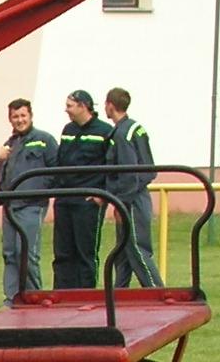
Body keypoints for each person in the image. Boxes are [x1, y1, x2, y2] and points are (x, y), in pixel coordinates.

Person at [52, 90, 118, 289]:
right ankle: (62, 294)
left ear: (83, 106)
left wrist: (102, 195)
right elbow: (60, 161)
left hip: (88, 202)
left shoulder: (105, 131)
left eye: (70, 106)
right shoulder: (68, 130)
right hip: (64, 199)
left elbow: (112, 165)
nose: (66, 110)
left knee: (85, 253)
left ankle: (86, 294)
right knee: (62, 253)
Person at [0, 99, 54, 303]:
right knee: (10, 253)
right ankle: (12, 298)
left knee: (27, 253)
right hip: (9, 205)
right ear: (10, 119)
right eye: (15, 116)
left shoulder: (44, 140)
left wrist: (40, 190)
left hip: (32, 205)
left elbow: (56, 170)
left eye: (23, 115)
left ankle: (34, 296)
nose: (19, 120)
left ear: (30, 116)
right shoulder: (9, 144)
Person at [104, 87, 162, 288]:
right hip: (137, 195)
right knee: (123, 252)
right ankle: (118, 294)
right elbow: (148, 168)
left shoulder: (122, 135)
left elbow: (129, 174)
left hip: (131, 199)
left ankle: (157, 291)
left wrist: (120, 204)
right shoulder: (135, 128)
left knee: (138, 248)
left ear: (110, 105)